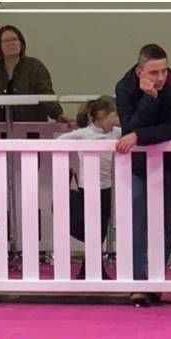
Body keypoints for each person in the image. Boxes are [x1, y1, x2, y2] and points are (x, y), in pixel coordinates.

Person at [115, 43, 171, 306]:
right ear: (139, 71)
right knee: (137, 221)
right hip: (136, 166)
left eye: (164, 71)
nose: (160, 78)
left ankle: (156, 279)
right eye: (154, 72)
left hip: (167, 162)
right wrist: (149, 99)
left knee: (164, 220)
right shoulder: (124, 87)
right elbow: (128, 126)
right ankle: (138, 281)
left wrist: (139, 136)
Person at [56, 95, 121, 279]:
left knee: (101, 231)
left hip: (106, 188)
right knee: (93, 229)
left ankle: (91, 269)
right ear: (102, 116)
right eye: (114, 116)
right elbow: (60, 140)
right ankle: (91, 269)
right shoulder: (84, 133)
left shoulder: (115, 133)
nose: (116, 120)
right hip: (88, 188)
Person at [0, 25, 71, 126]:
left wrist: (58, 115)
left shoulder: (35, 67)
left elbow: (45, 94)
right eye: (6, 41)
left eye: (15, 39)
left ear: (21, 43)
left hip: (31, 132)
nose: (11, 43)